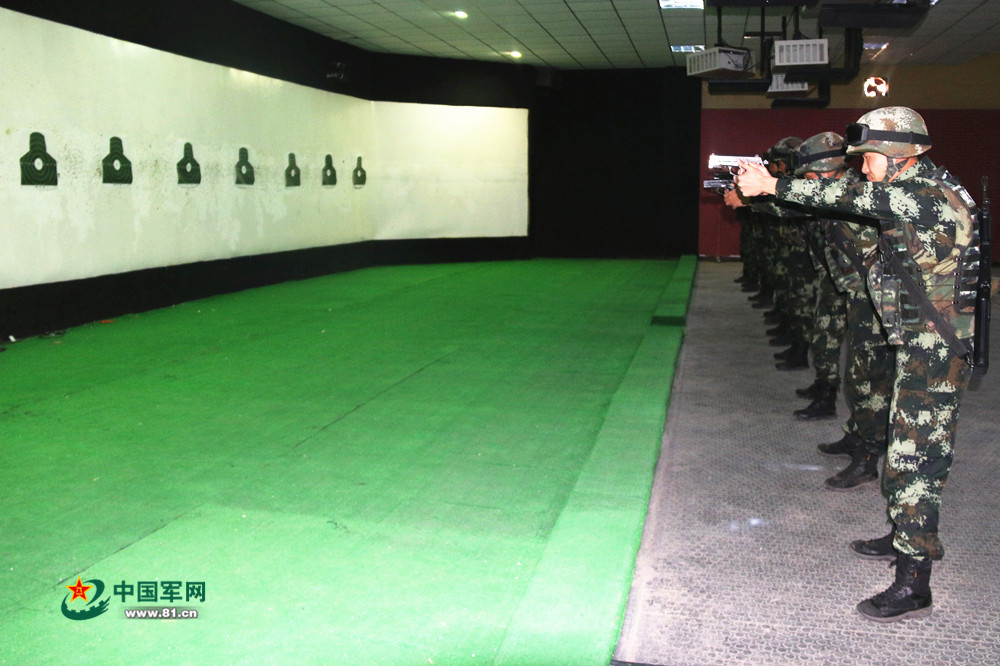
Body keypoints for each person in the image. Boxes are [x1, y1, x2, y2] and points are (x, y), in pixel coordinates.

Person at [736, 106, 981, 622]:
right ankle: (903, 537)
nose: (861, 169)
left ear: (896, 155)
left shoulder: (925, 196)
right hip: (921, 344)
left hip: (935, 354)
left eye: (867, 158)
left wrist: (772, 187)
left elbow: (849, 197)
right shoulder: (920, 188)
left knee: (915, 463)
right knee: (903, 452)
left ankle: (914, 582)